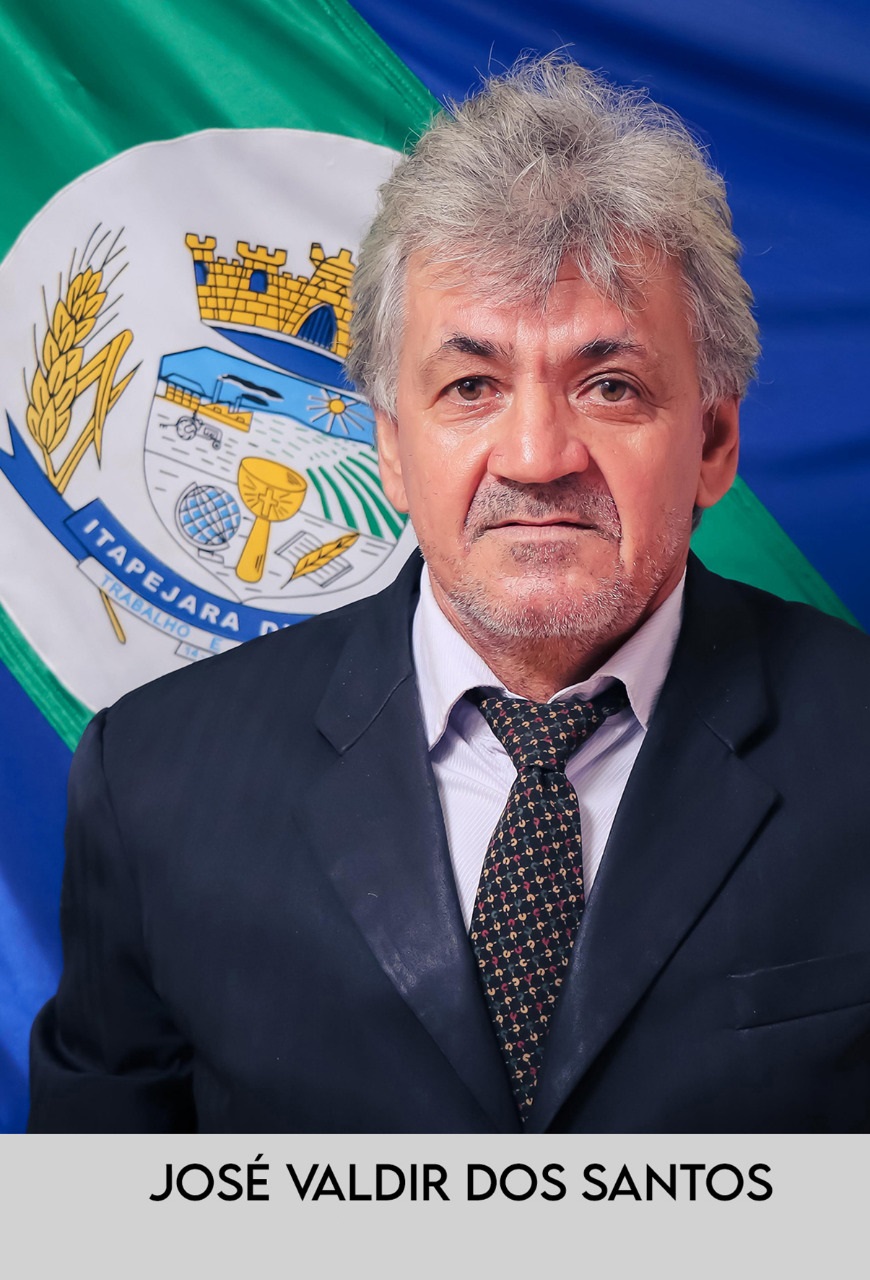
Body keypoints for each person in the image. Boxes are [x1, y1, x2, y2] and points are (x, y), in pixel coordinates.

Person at [29, 56, 870, 1134]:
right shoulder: (151, 777)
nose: (536, 456)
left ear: (713, 440)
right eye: (471, 385)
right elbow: (99, 1211)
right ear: (389, 446)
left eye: (609, 386)